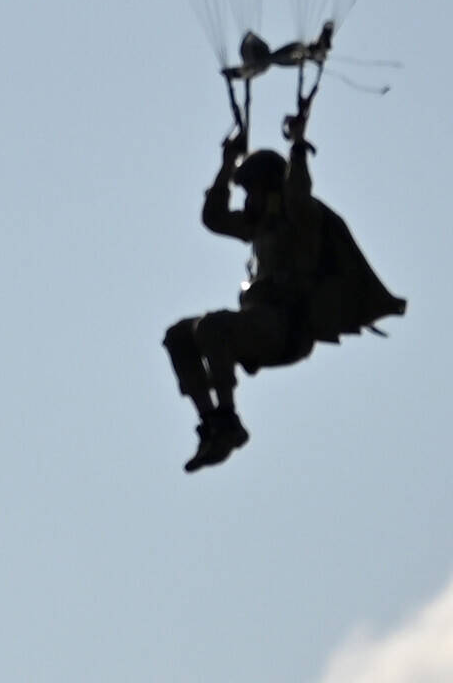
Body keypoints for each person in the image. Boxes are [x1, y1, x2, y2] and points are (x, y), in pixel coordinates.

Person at [160, 123, 404, 473]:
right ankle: (213, 425)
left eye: (251, 191)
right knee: (179, 336)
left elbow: (299, 192)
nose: (247, 201)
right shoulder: (260, 225)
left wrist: (299, 146)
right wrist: (227, 163)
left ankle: (228, 420)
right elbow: (213, 218)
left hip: (287, 328)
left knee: (213, 327)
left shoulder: (300, 218)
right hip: (258, 323)